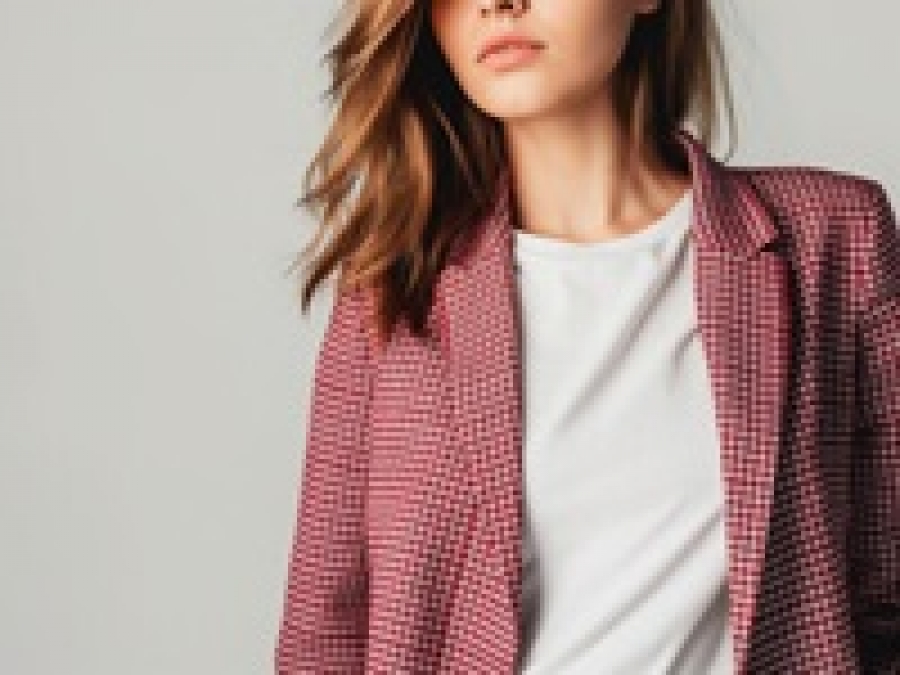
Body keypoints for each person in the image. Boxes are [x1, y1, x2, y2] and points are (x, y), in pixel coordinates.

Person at [276, 0, 899, 673]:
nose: (499, 4)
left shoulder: (833, 240)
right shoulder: (391, 293)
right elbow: (324, 636)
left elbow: (887, 596)